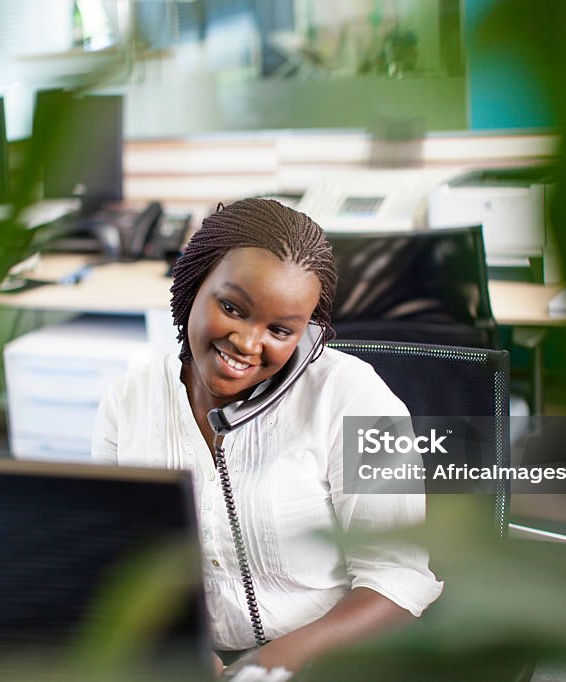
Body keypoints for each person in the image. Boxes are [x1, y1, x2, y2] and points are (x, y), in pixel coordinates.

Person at [92, 198, 442, 676]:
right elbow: (114, 555)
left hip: (324, 656)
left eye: (280, 329)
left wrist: (268, 665)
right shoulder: (127, 400)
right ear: (194, 283)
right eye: (232, 307)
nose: (247, 343)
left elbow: (397, 576)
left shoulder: (354, 399)